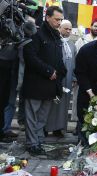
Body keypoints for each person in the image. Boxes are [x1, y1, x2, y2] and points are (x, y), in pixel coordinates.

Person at [23, 6, 66, 155]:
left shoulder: (56, 36)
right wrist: (48, 71)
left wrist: (61, 72)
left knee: (42, 117)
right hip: (35, 84)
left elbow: (58, 59)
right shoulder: (37, 33)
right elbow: (29, 56)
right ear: (47, 17)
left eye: (61, 19)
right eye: (56, 19)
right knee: (32, 116)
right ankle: (32, 143)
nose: (59, 22)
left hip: (49, 86)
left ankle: (39, 141)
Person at [45, 20, 76, 137]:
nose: (68, 31)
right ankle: (46, 127)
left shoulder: (72, 45)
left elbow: (75, 63)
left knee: (63, 104)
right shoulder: (54, 41)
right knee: (51, 102)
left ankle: (59, 128)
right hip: (54, 78)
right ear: (60, 28)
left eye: (70, 29)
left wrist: (73, 77)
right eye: (65, 29)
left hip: (67, 80)